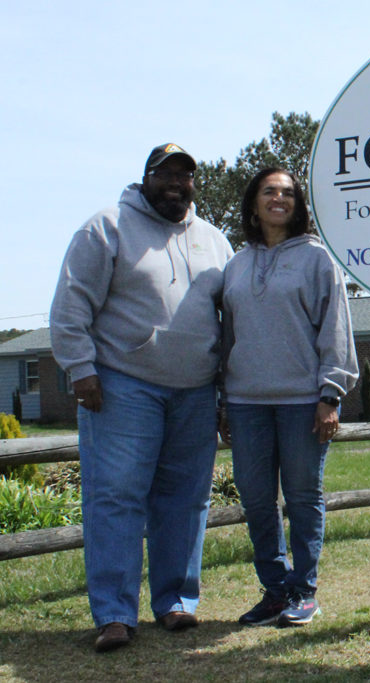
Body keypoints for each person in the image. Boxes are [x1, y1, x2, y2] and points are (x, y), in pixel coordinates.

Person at [50, 144, 233, 652]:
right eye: (165, 173)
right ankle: (114, 613)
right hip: (123, 385)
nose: (176, 182)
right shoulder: (106, 228)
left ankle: (176, 602)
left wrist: (225, 391)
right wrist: (80, 369)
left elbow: (230, 321)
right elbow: (71, 303)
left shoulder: (215, 242)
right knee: (116, 496)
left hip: (196, 390)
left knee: (186, 501)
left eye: (185, 175)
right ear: (146, 178)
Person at [219, 167, 358, 628]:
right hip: (246, 402)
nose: (278, 198)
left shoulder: (318, 259)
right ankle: (275, 591)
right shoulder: (236, 265)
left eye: (288, 193)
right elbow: (227, 335)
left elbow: (335, 328)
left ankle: (304, 591)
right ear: (254, 203)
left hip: (303, 401)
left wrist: (330, 395)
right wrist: (223, 396)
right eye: (268, 191)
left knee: (302, 498)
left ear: (298, 204)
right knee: (257, 500)